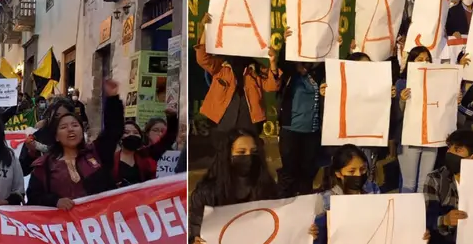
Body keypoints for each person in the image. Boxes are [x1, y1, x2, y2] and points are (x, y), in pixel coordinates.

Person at [188, 127, 279, 244]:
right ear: (227, 156)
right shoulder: (206, 192)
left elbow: (281, 228)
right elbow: (195, 233)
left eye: (253, 152)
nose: (248, 157)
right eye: (241, 152)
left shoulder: (268, 187)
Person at [26, 80, 123, 207]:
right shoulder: (45, 166)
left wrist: (112, 99)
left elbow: (113, 131)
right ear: (56, 137)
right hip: (62, 225)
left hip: (98, 222)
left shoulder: (96, 152)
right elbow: (34, 196)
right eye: (64, 127)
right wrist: (55, 201)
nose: (70, 129)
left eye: (75, 125)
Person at [195, 13, 282, 149]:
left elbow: (272, 86)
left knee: (247, 158)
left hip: (249, 122)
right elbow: (202, 57)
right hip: (222, 121)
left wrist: (272, 62)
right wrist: (206, 28)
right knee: (222, 157)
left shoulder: (256, 68)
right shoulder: (221, 65)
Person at [276, 56, 326, 198]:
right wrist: (287, 42)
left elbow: (336, 65)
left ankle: (304, 206)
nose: (305, 67)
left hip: (312, 131)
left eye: (308, 64)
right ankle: (284, 204)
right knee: (289, 173)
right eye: (302, 63)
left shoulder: (318, 73)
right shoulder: (289, 75)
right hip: (291, 131)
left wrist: (335, 43)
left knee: (308, 174)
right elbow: (282, 61)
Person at [396, 46, 439, 192]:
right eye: (420, 60)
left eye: (427, 60)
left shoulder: (437, 82)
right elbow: (395, 114)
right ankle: (406, 214)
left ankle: (421, 213)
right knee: (409, 184)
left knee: (424, 184)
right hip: (410, 139)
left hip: (431, 138)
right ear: (411, 62)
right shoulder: (402, 83)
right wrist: (401, 100)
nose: (424, 63)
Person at [113, 108, 179, 187]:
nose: (131, 134)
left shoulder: (146, 154)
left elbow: (168, 140)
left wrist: (172, 118)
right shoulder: (110, 161)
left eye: (135, 132)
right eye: (126, 132)